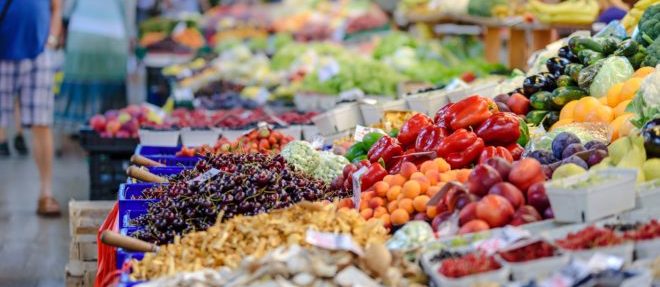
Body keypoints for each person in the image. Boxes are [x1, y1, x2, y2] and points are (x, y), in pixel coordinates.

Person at [0, 0, 62, 215]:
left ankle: (46, 194)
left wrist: (52, 40)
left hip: (39, 54)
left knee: (42, 123)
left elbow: (56, 7)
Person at [55, 0, 130, 133]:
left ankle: (77, 130)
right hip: (113, 36)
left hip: (81, 35)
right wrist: (131, 37)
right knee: (110, 94)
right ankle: (107, 131)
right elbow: (128, 12)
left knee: (79, 85)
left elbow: (66, 10)